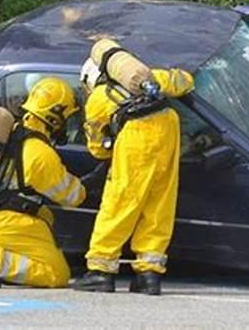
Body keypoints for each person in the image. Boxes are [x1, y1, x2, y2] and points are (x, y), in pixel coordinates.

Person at [72, 57, 194, 295]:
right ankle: (148, 275)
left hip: (138, 139)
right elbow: (185, 81)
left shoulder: (99, 97)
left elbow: (97, 147)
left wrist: (108, 147)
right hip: (168, 130)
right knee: (159, 204)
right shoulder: (148, 77)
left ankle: (100, 271)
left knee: (121, 203)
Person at [0, 77, 86, 288]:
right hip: (9, 224)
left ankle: (0, 251)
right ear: (54, 117)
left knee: (46, 217)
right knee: (56, 274)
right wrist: (93, 182)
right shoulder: (40, 154)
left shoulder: (15, 131)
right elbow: (73, 198)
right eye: (67, 118)